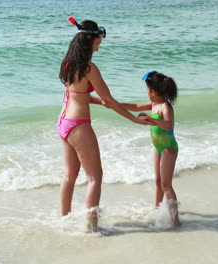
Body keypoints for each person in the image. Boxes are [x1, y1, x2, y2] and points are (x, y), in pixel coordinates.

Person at [57, 18, 152, 232]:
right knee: (95, 178)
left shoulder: (68, 63)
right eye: (98, 41)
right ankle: (91, 229)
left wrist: (100, 101)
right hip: (79, 125)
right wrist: (134, 119)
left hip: (63, 122)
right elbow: (109, 99)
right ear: (90, 39)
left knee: (69, 176)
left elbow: (76, 95)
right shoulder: (89, 68)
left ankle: (63, 220)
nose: (99, 45)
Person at [120, 71, 180, 226]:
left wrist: (150, 119)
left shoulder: (165, 107)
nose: (146, 93)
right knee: (158, 181)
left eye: (147, 90)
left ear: (153, 92)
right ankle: (156, 209)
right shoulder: (154, 105)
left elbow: (168, 124)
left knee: (166, 184)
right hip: (158, 147)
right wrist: (114, 104)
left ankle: (176, 220)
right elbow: (134, 106)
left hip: (168, 148)